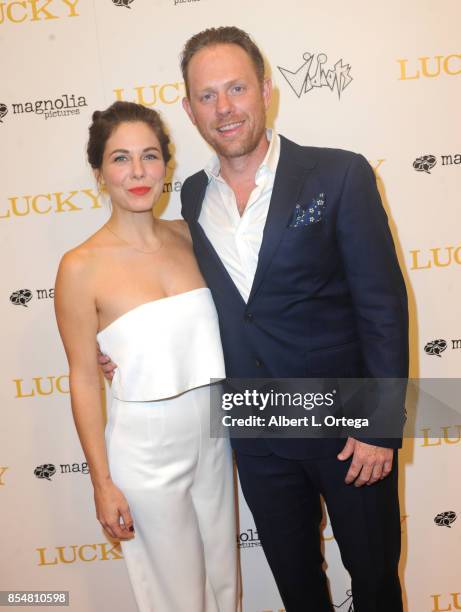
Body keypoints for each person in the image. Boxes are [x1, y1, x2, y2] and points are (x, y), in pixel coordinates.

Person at [100, 27, 408, 612]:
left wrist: (378, 426)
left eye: (236, 87)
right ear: (189, 110)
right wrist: (123, 344)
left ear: (265, 89)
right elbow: (177, 292)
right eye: (208, 95)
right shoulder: (189, 197)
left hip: (349, 430)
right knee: (297, 586)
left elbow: (383, 306)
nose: (225, 107)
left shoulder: (340, 175)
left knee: (373, 582)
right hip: (256, 435)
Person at [54, 101, 239, 612]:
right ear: (98, 172)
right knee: (177, 597)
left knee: (225, 585)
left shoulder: (191, 236)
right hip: (146, 449)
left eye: (150, 156)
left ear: (166, 167)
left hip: (212, 433)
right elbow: (85, 379)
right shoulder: (79, 267)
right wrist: (102, 483)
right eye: (120, 159)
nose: (137, 172)